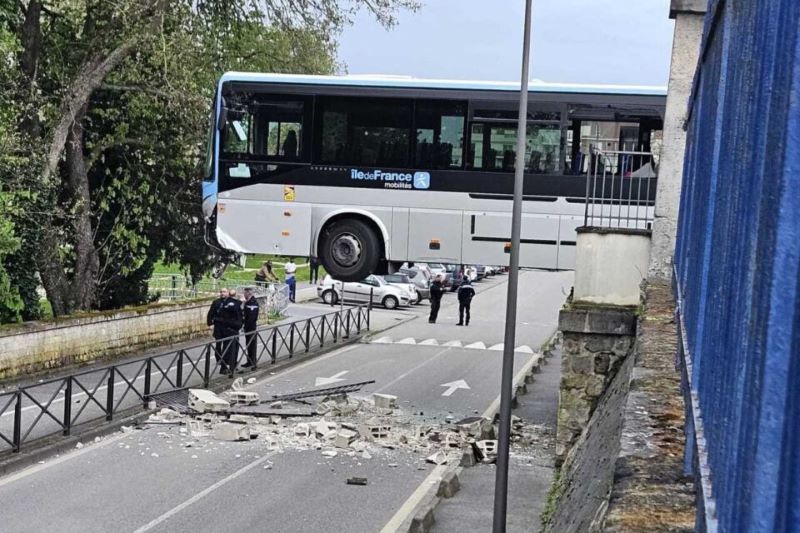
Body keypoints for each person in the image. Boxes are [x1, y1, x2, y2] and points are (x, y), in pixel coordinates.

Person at [215, 288, 242, 374]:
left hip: (234, 329)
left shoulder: (231, 303)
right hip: (230, 329)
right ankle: (224, 367)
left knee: (233, 349)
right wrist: (241, 301)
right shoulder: (229, 303)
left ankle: (232, 366)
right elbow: (234, 308)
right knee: (228, 349)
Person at [207, 288, 229, 365]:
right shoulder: (216, 302)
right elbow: (210, 313)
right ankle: (218, 359)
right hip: (218, 326)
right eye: (221, 292)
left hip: (227, 326)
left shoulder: (230, 302)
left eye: (224, 292)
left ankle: (225, 358)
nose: (222, 293)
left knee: (227, 343)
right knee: (218, 343)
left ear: (228, 293)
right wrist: (210, 324)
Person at [241, 288, 260, 369]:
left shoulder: (252, 303)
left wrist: (246, 325)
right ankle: (249, 361)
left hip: (251, 328)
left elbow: (251, 318)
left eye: (244, 293)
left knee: (252, 345)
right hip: (248, 327)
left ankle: (253, 362)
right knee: (248, 345)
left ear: (248, 294)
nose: (244, 295)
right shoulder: (248, 302)